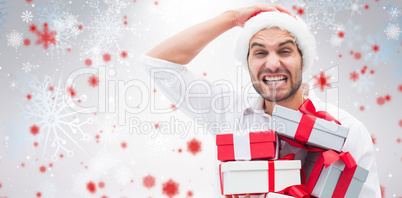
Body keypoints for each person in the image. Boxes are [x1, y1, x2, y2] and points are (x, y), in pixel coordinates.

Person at [140, 4, 381, 198]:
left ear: (303, 60)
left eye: (285, 51)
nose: (273, 63)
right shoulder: (227, 111)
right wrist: (232, 18)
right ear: (247, 63)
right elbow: (158, 63)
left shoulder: (347, 131)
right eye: (260, 52)